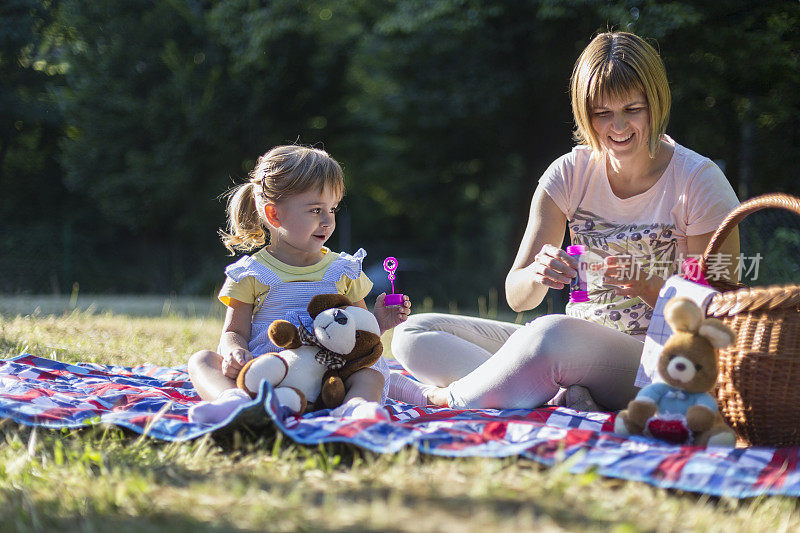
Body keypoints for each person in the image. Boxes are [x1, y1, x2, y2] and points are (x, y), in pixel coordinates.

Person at [391, 31, 740, 412]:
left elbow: (718, 314)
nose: (618, 127)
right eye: (602, 113)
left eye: (632, 109)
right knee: (413, 333)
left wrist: (652, 287)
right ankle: (552, 392)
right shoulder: (568, 174)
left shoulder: (698, 180)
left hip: (661, 361)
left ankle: (446, 398)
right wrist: (538, 273)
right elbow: (518, 296)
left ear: (656, 103)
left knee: (550, 335)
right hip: (570, 346)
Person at [188, 145, 411, 423]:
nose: (328, 220)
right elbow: (234, 331)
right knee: (202, 360)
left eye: (332, 209)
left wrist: (380, 321)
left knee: (370, 372)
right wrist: (234, 350)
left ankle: (356, 408)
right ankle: (236, 404)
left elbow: (359, 333)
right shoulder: (251, 273)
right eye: (316, 210)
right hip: (270, 375)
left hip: (333, 377)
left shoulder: (343, 270)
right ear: (274, 215)